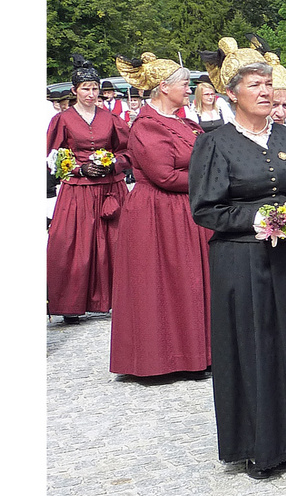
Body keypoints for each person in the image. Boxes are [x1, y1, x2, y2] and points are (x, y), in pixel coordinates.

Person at [190, 37, 286, 479]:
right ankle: (262, 447)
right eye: (255, 85)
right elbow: (206, 208)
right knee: (255, 348)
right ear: (232, 94)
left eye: (268, 84)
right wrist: (260, 216)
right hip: (243, 263)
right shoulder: (215, 144)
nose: (265, 92)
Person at [109, 53, 210, 376]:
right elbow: (163, 175)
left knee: (192, 282)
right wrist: (211, 181)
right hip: (159, 213)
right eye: (184, 83)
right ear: (164, 87)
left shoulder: (184, 121)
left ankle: (200, 353)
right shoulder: (147, 125)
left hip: (186, 210)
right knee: (167, 284)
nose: (188, 87)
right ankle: (166, 358)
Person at [47, 54, 129, 322]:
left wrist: (114, 164)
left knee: (115, 243)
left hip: (110, 190)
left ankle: (117, 300)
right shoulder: (63, 120)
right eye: (85, 88)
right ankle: (71, 304)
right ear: (74, 91)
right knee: (76, 246)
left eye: (95, 88)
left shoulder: (112, 119)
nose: (91, 94)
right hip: (77, 191)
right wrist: (77, 169)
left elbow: (128, 151)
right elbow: (53, 155)